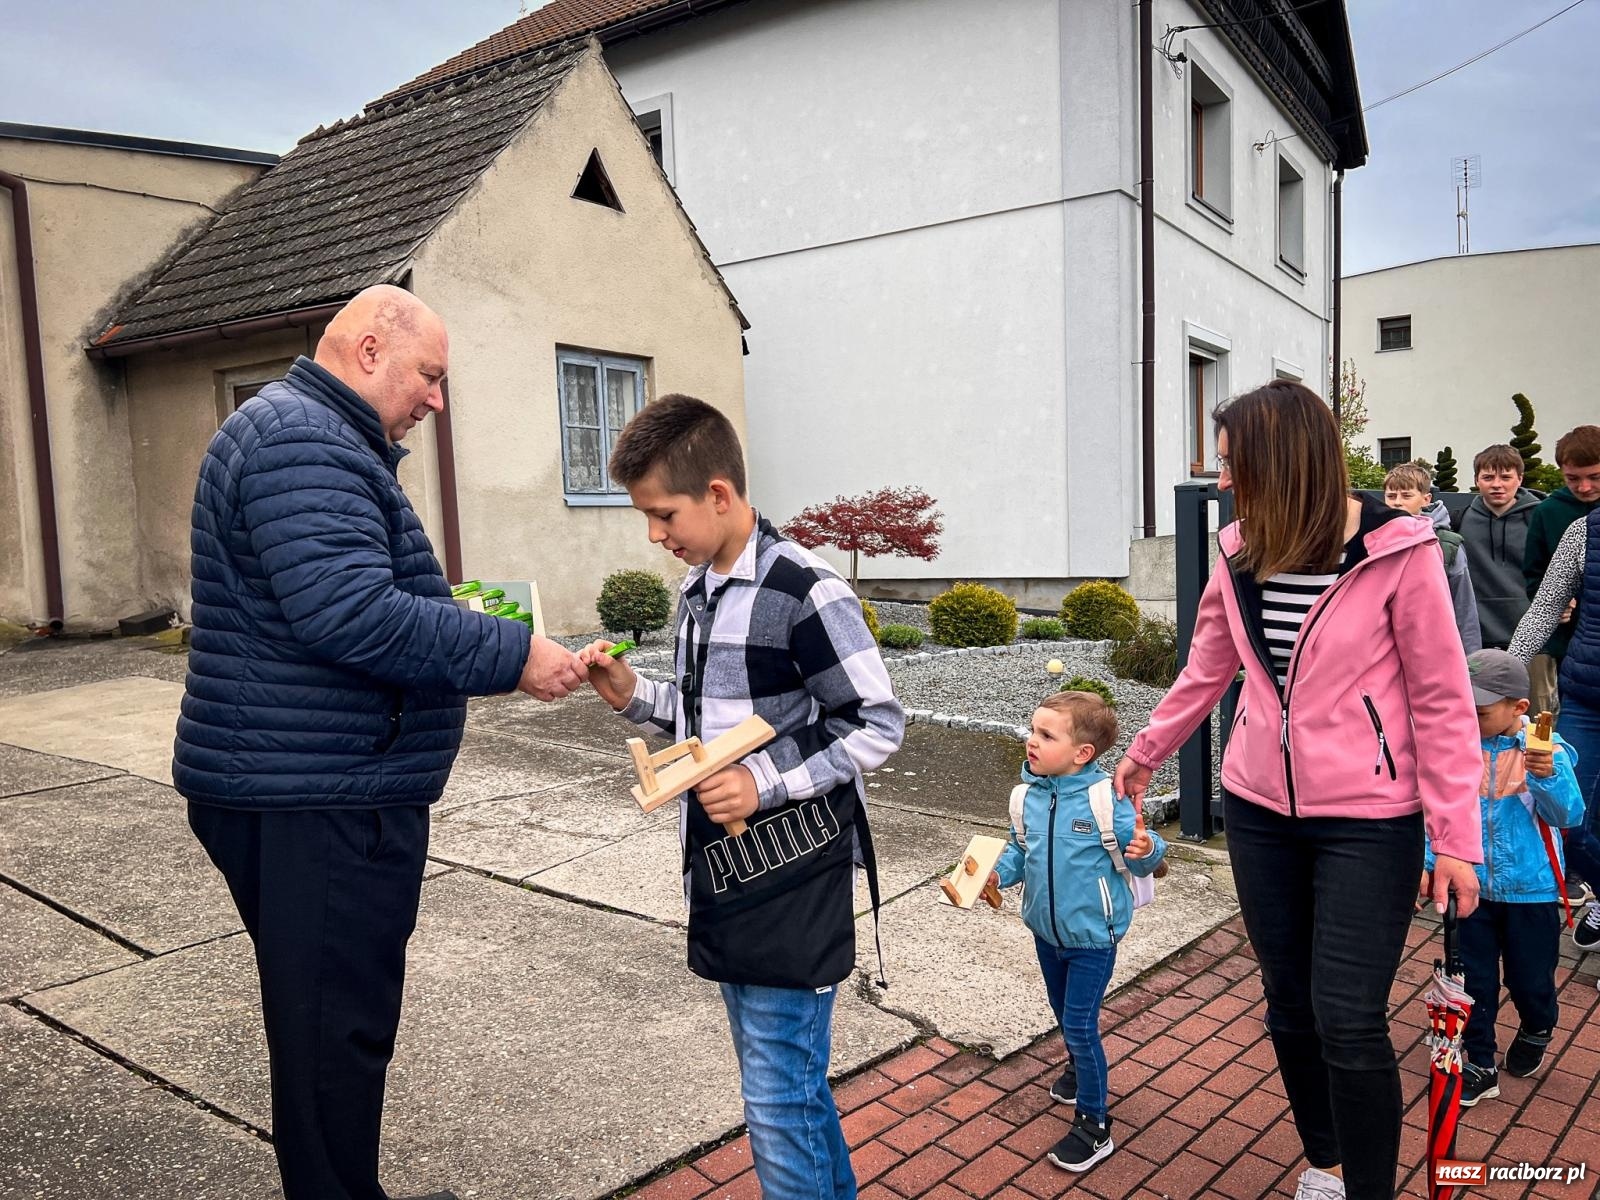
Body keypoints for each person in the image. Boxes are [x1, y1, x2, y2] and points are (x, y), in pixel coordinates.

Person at [175, 285, 587, 1200]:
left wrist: (467, 622)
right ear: (368, 351)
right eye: (429, 376)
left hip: (306, 781)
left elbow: (346, 594)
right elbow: (353, 615)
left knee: (332, 1029)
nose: (436, 400)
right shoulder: (302, 442)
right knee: (334, 1039)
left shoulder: (305, 435)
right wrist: (515, 653)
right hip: (321, 797)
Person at [1112, 380, 1482, 1200]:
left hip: (1369, 821)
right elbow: (1208, 665)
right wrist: (1147, 750)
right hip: (1258, 811)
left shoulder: (1400, 552)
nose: (1221, 481)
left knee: (1347, 1017)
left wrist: (1456, 838)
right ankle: (1330, 1164)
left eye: (1234, 464)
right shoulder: (1240, 549)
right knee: (1287, 1005)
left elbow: (1444, 702)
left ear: (1284, 463)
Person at [580, 393, 904, 1200]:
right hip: (725, 875)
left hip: (792, 876)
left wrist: (765, 781)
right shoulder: (699, 593)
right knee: (790, 1091)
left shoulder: (806, 589)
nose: (656, 535)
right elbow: (704, 731)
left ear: (718, 495)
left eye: (664, 514)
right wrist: (631, 694)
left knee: (774, 1101)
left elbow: (877, 723)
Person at [989, 691, 1166, 1173]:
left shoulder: (1104, 800)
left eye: (1046, 735)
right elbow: (1018, 851)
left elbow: (1147, 852)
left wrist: (1148, 849)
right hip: (1045, 933)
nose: (1032, 741)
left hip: (1093, 937)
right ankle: (1075, 1065)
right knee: (1063, 1014)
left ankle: (1094, 1125)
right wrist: (994, 875)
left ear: (1082, 753)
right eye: (1032, 730)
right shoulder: (1026, 796)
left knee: (1082, 1025)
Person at [1419, 649, 1583, 1107]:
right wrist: (1431, 862)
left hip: (1531, 891)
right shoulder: (1458, 750)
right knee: (1472, 980)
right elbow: (1441, 813)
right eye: (1462, 710)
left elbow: (1569, 814)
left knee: (1530, 980)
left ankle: (1538, 1024)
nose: (1468, 721)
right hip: (1471, 889)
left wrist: (1547, 777)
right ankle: (1480, 1061)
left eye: (1480, 713)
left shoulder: (1545, 749)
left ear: (1519, 708)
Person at [1511, 506, 1600, 956]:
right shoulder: (1585, 531)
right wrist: (1509, 670)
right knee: (1570, 818)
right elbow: (1546, 607)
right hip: (1587, 696)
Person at [1523, 425, 1600, 715]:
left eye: (1595, 477)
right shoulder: (1547, 512)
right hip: (1566, 636)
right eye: (1573, 479)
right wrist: (1556, 600)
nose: (1584, 487)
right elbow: (1533, 572)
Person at [1382, 462, 1482, 653]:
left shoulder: (1447, 544)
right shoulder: (1376, 540)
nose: (1397, 502)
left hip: (1434, 647)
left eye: (1407, 496)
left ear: (1426, 499)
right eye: (1391, 496)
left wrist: (1471, 658)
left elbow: (1463, 605)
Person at [1455, 444, 1542, 650]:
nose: (1497, 484)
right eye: (1488, 477)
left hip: (1534, 637)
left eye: (1505, 477)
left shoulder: (1540, 519)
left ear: (1520, 479)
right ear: (1477, 480)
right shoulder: (1457, 521)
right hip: (1475, 638)